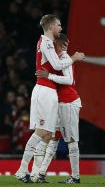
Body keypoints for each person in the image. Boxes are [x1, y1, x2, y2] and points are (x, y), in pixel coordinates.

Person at [15, 14, 85, 183]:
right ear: (52, 26)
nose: (61, 28)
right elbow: (56, 66)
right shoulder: (47, 43)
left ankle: (35, 173)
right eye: (59, 25)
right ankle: (24, 170)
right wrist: (74, 58)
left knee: (48, 135)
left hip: (57, 96)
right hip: (47, 92)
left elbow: (67, 78)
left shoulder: (48, 46)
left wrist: (50, 74)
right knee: (44, 133)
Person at [31, 33, 82, 183]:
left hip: (69, 102)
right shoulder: (54, 59)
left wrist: (49, 76)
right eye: (54, 46)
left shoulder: (65, 58)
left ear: (64, 46)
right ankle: (41, 173)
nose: (55, 48)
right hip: (58, 103)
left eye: (57, 46)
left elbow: (69, 80)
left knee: (71, 140)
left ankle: (75, 176)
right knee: (53, 138)